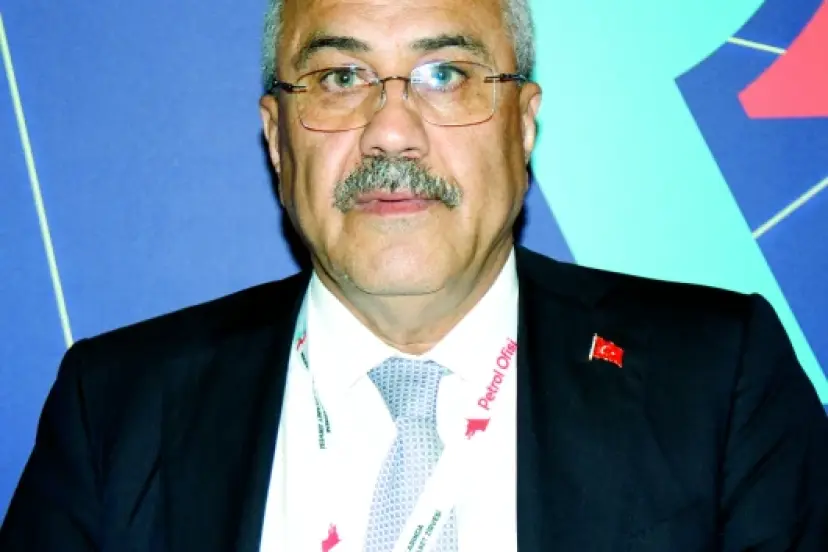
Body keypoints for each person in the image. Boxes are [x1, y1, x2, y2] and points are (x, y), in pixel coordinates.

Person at [1, 0, 826, 550]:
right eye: (340, 78)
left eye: (446, 75)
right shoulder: (116, 407)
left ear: (524, 124)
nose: (391, 132)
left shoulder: (718, 379)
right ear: (278, 139)